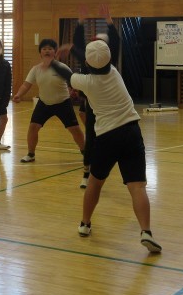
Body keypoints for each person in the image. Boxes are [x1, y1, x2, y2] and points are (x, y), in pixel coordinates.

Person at [50, 39, 162, 253]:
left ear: (87, 64)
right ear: (109, 59)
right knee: (137, 187)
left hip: (107, 136)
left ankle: (85, 224)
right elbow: (93, 60)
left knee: (95, 183)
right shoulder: (114, 72)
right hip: (131, 131)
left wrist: (53, 60)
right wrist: (74, 49)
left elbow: (66, 74)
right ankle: (146, 231)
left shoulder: (86, 82)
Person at [66, 4, 120, 189]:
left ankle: (104, 168)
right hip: (92, 104)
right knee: (90, 138)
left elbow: (115, 42)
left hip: (109, 108)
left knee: (106, 138)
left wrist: (109, 22)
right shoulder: (88, 59)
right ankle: (86, 173)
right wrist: (81, 22)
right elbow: (78, 45)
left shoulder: (109, 62)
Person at [12, 38, 85, 163]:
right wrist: (18, 95)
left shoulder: (62, 67)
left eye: (50, 49)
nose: (47, 51)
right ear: (40, 53)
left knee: (75, 129)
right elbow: (26, 85)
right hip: (44, 103)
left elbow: (73, 82)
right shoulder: (36, 69)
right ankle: (31, 154)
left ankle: (86, 153)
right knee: (33, 127)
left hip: (63, 103)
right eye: (44, 49)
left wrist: (73, 91)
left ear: (55, 52)